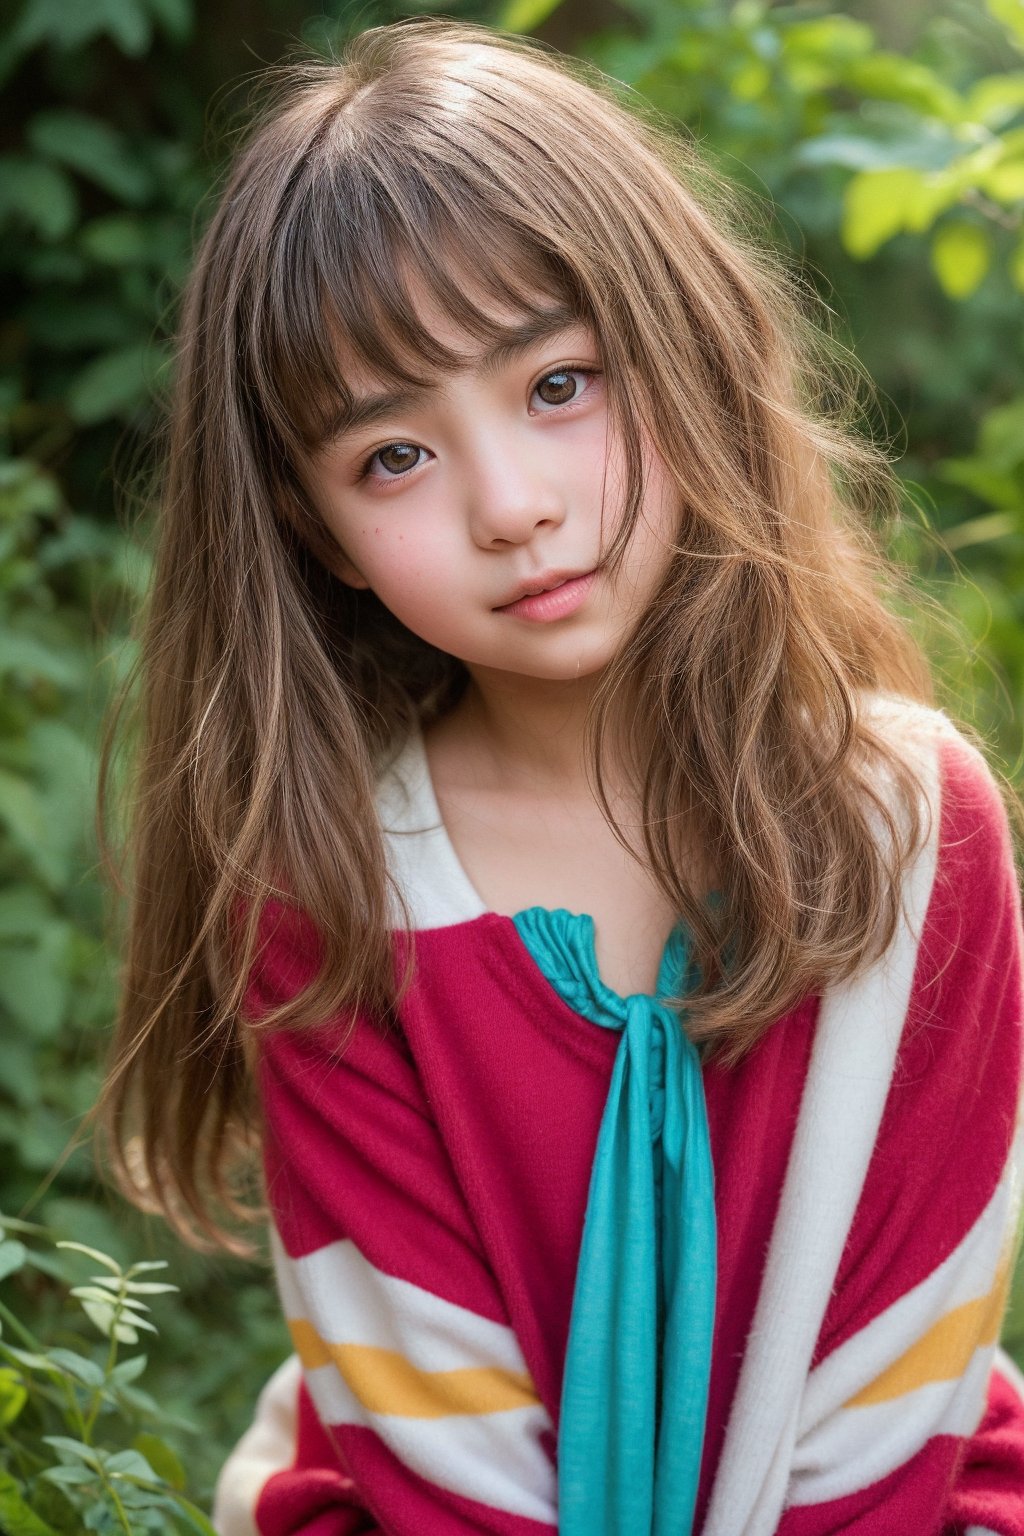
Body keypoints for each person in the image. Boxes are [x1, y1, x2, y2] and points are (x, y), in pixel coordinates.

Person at [97, 15, 1024, 1535]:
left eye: (560, 384)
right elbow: (433, 1454)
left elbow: (895, 1388)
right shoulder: (333, 886)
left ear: (686, 344)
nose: (513, 508)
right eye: (393, 456)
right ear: (314, 527)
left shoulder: (913, 831)